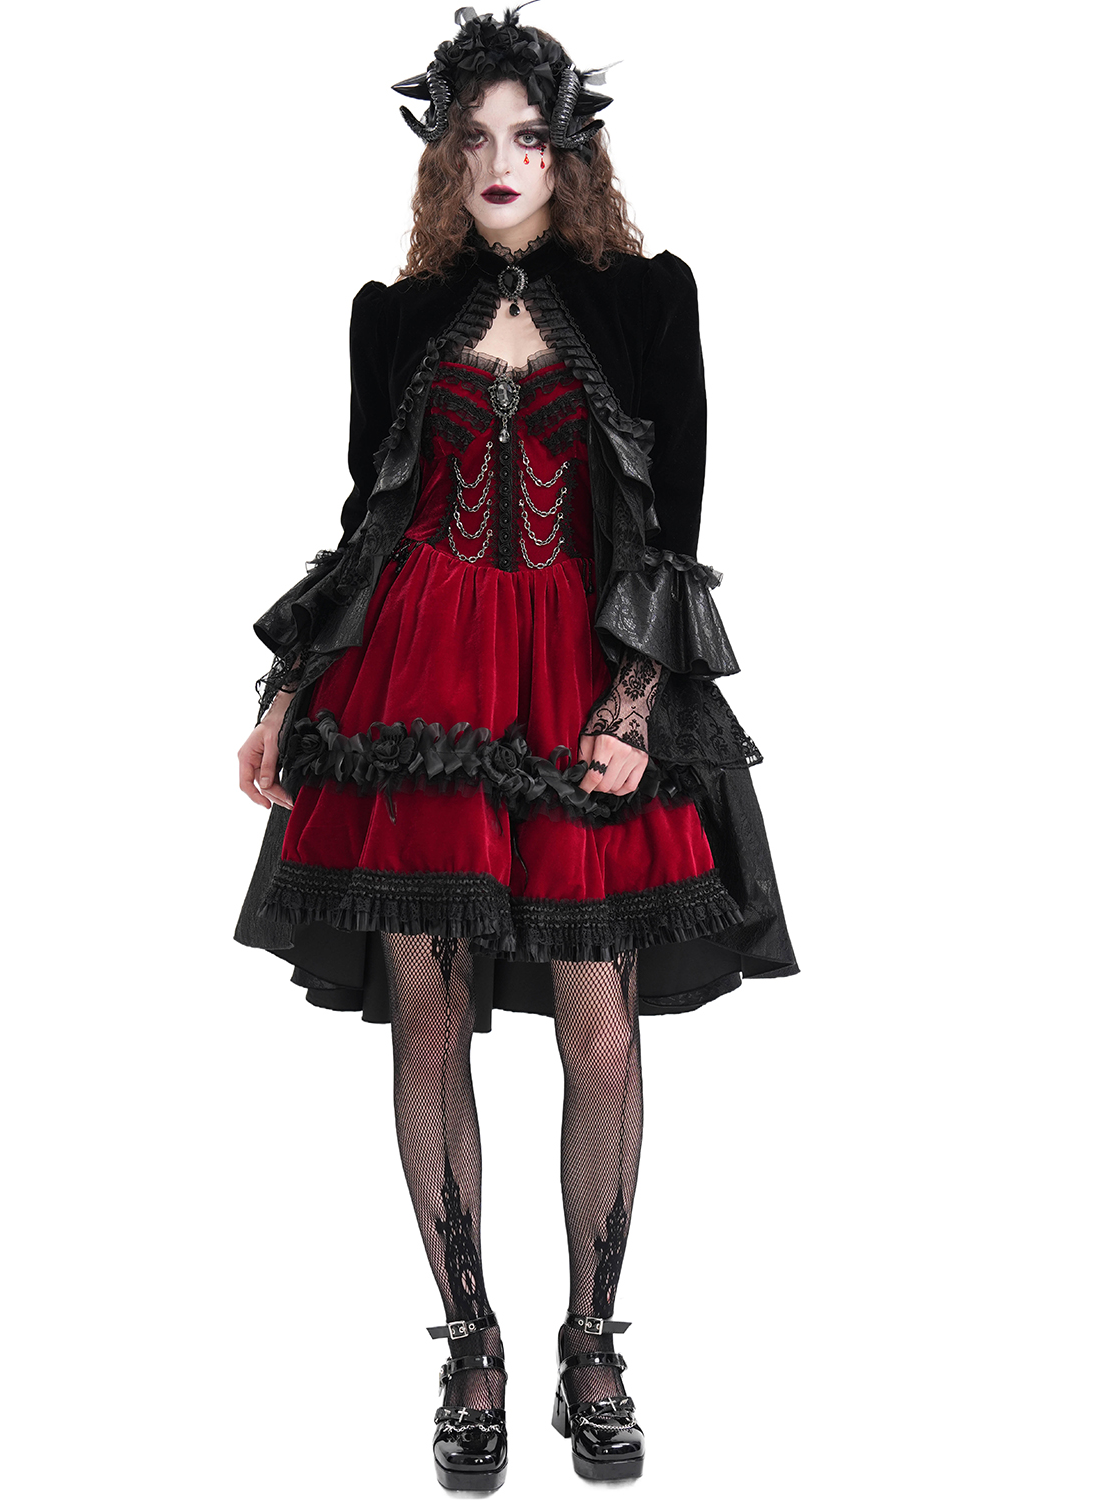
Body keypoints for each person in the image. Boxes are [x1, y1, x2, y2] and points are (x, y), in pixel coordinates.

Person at [234, 6, 798, 1487]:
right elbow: (369, 523)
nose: (500, 162)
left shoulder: (645, 298)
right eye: (473, 137)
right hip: (416, 693)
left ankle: (591, 1343)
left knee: (598, 1022)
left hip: (575, 679)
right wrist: (287, 693)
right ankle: (470, 1344)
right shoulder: (393, 314)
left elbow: (673, 522)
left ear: (569, 149)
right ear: (441, 152)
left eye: (528, 136)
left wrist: (634, 707)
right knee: (430, 1013)